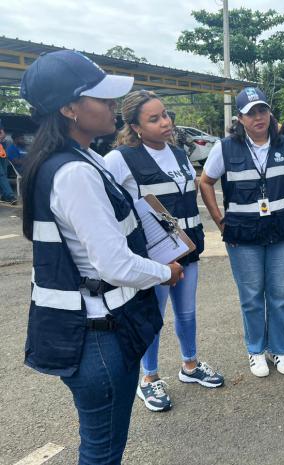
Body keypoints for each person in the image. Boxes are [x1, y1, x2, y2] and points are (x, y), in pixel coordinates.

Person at [19, 50, 183, 465]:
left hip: (93, 332)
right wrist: (165, 271)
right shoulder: (75, 173)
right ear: (70, 108)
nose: (112, 106)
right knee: (101, 452)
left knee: (100, 447)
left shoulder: (79, 158)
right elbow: (113, 264)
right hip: (96, 337)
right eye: (101, 98)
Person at [105, 90, 223, 413]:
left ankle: (190, 365)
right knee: (152, 317)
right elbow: (105, 206)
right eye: (154, 119)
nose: (165, 122)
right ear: (135, 126)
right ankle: (149, 378)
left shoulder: (179, 154)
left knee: (187, 312)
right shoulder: (120, 159)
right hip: (151, 256)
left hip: (187, 248)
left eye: (166, 115)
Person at [200, 87, 284, 377]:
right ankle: (256, 350)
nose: (258, 117)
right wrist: (219, 219)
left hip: (282, 231)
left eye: (262, 110)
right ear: (240, 118)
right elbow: (206, 182)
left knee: (280, 294)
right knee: (251, 295)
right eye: (251, 113)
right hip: (243, 234)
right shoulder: (225, 148)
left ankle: (279, 349)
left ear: (269, 113)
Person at [0, 120, 18, 205]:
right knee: (1, 174)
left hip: (1, 152)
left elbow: (3, 134)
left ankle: (5, 196)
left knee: (4, 173)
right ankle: (10, 196)